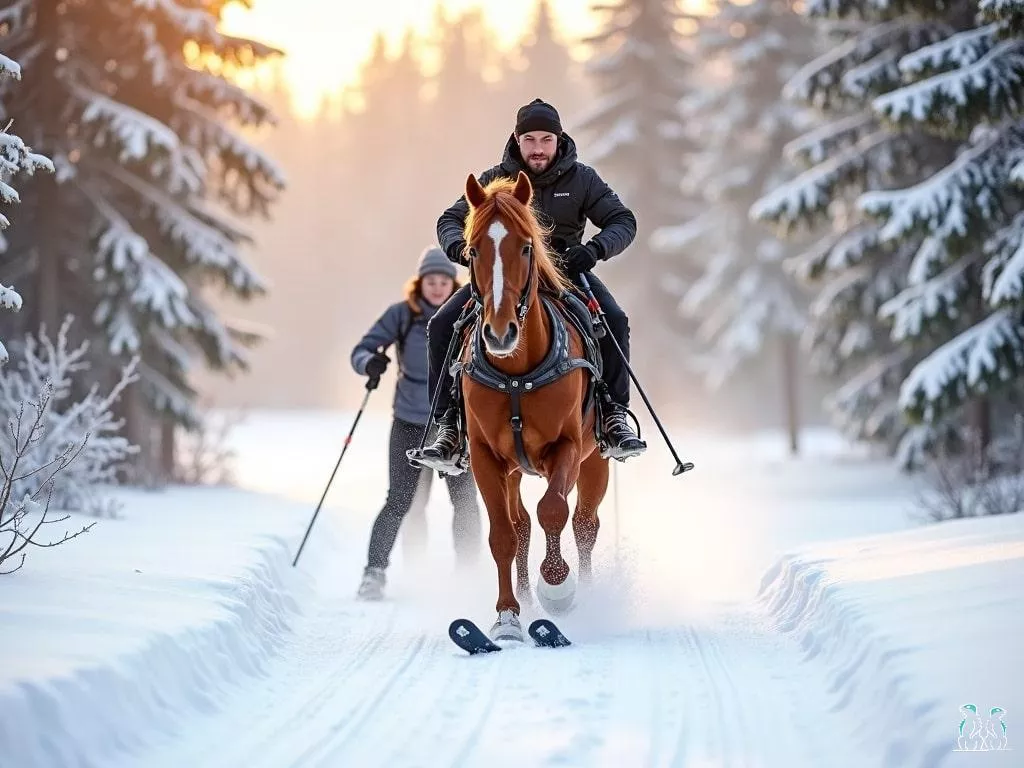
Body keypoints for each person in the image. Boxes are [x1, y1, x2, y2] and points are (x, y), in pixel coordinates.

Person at [407, 98, 647, 473]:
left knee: (615, 320)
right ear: (517, 140)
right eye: (530, 139)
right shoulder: (493, 180)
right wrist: (462, 248)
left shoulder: (583, 179)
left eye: (546, 139)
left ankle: (614, 416)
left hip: (566, 273)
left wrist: (595, 249)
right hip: (502, 276)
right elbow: (449, 219)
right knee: (441, 325)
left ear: (559, 140)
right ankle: (449, 426)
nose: (538, 148)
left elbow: (623, 220)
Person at [350, 246, 482, 600]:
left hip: (455, 426)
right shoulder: (402, 315)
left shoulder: (467, 312)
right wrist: (370, 363)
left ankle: (469, 577)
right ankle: (374, 573)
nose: (438, 288)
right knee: (400, 500)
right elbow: (362, 350)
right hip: (409, 422)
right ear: (419, 283)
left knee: (465, 501)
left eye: (444, 281)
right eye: (431, 281)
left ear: (453, 283)